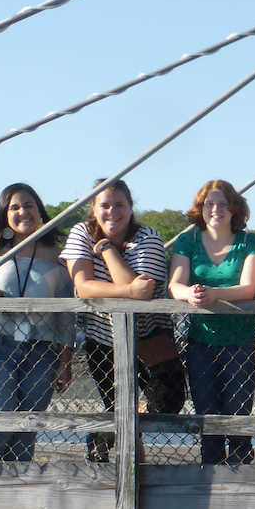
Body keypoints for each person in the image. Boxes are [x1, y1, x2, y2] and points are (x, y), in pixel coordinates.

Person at [61, 178, 185, 462]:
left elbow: (142, 294)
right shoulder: (81, 232)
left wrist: (106, 249)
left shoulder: (148, 237)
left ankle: (103, 434)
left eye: (120, 205)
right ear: (93, 208)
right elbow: (83, 286)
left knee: (169, 400)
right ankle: (134, 475)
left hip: (149, 334)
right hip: (102, 337)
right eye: (104, 205)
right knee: (117, 407)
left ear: (131, 207)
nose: (112, 212)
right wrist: (128, 290)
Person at [0, 183, 75, 462]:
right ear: (4, 214)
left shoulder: (58, 256)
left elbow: (65, 314)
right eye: (14, 207)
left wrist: (65, 361)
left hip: (42, 350)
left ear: (40, 211)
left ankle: (18, 499)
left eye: (29, 205)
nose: (23, 211)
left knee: (27, 429)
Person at [168, 180, 255, 465]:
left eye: (223, 203)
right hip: (201, 344)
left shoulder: (250, 242)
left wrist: (214, 295)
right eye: (210, 204)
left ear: (235, 209)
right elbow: (175, 285)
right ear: (201, 208)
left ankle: (242, 476)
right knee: (207, 418)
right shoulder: (188, 240)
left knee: (238, 416)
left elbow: (249, 288)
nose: (216, 209)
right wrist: (191, 294)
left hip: (240, 343)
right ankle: (210, 477)